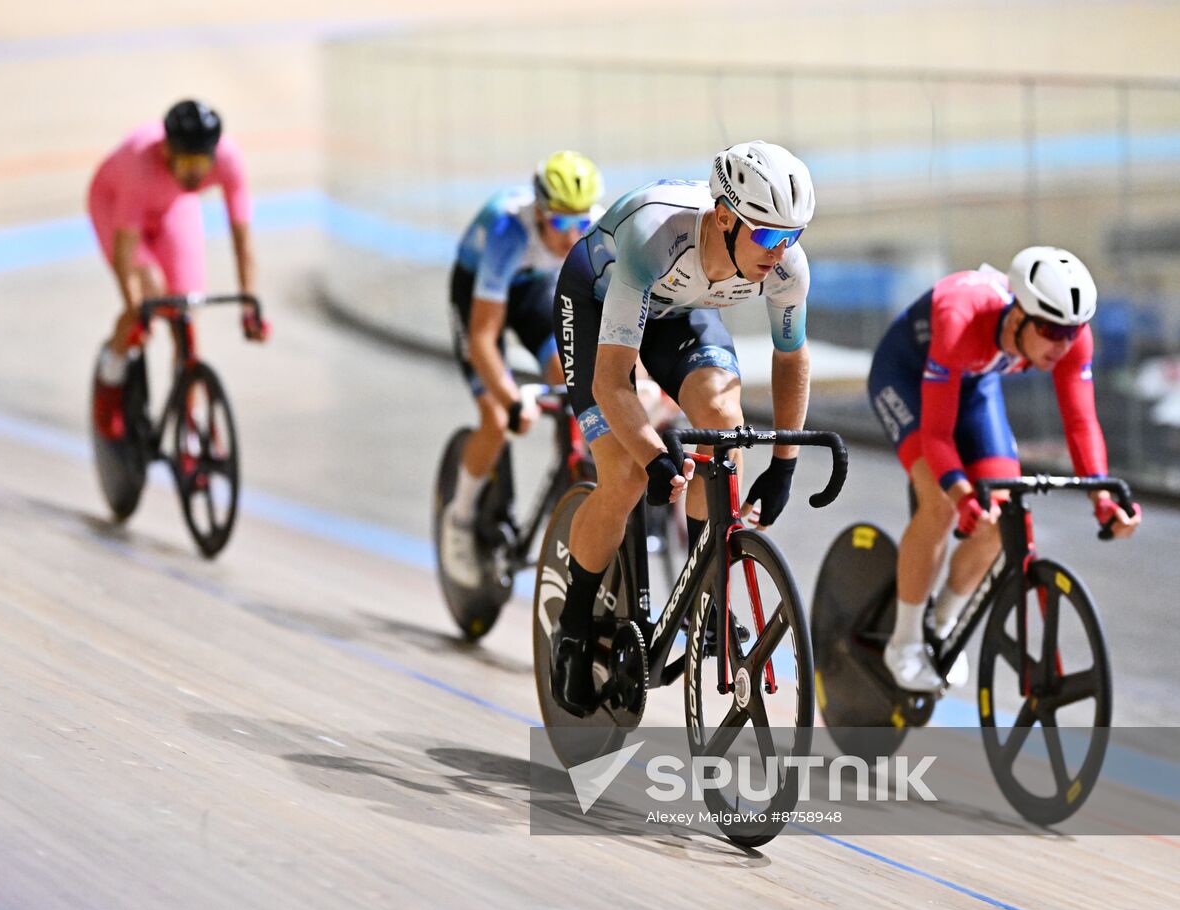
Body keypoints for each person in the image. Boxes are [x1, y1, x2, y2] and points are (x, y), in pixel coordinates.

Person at [547, 140, 817, 715]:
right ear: (724, 218)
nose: (781, 252)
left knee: (723, 424)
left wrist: (786, 465)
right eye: (768, 236)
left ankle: (707, 601)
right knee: (621, 475)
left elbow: (791, 359)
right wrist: (651, 455)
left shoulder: (786, 264)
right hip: (598, 304)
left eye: (792, 236)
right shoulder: (653, 238)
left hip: (681, 311)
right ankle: (572, 627)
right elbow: (611, 384)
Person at [867, 247, 1142, 692]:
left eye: (1072, 332)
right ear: (1017, 316)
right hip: (906, 377)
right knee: (939, 503)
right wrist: (959, 492)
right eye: (1052, 330)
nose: (1063, 344)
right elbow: (936, 436)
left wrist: (1103, 498)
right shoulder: (961, 315)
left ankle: (941, 625)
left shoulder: (1070, 340)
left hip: (975, 384)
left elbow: (1081, 422)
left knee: (1004, 510)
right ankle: (903, 641)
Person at [439, 150, 604, 587]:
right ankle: (459, 519)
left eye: (581, 224)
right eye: (561, 225)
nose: (572, 237)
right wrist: (513, 402)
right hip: (478, 293)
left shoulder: (597, 230)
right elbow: (481, 338)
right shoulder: (509, 230)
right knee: (495, 418)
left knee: (569, 378)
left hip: (533, 290)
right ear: (539, 212)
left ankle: (569, 473)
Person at [88, 100, 263, 441]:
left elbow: (243, 241)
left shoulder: (228, 160)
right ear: (166, 150)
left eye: (201, 163)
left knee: (186, 307)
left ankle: (189, 412)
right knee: (149, 290)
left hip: (171, 206)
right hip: (115, 204)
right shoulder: (139, 165)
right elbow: (125, 250)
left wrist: (249, 307)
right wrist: (134, 307)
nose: (195, 174)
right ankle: (110, 378)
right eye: (185, 163)